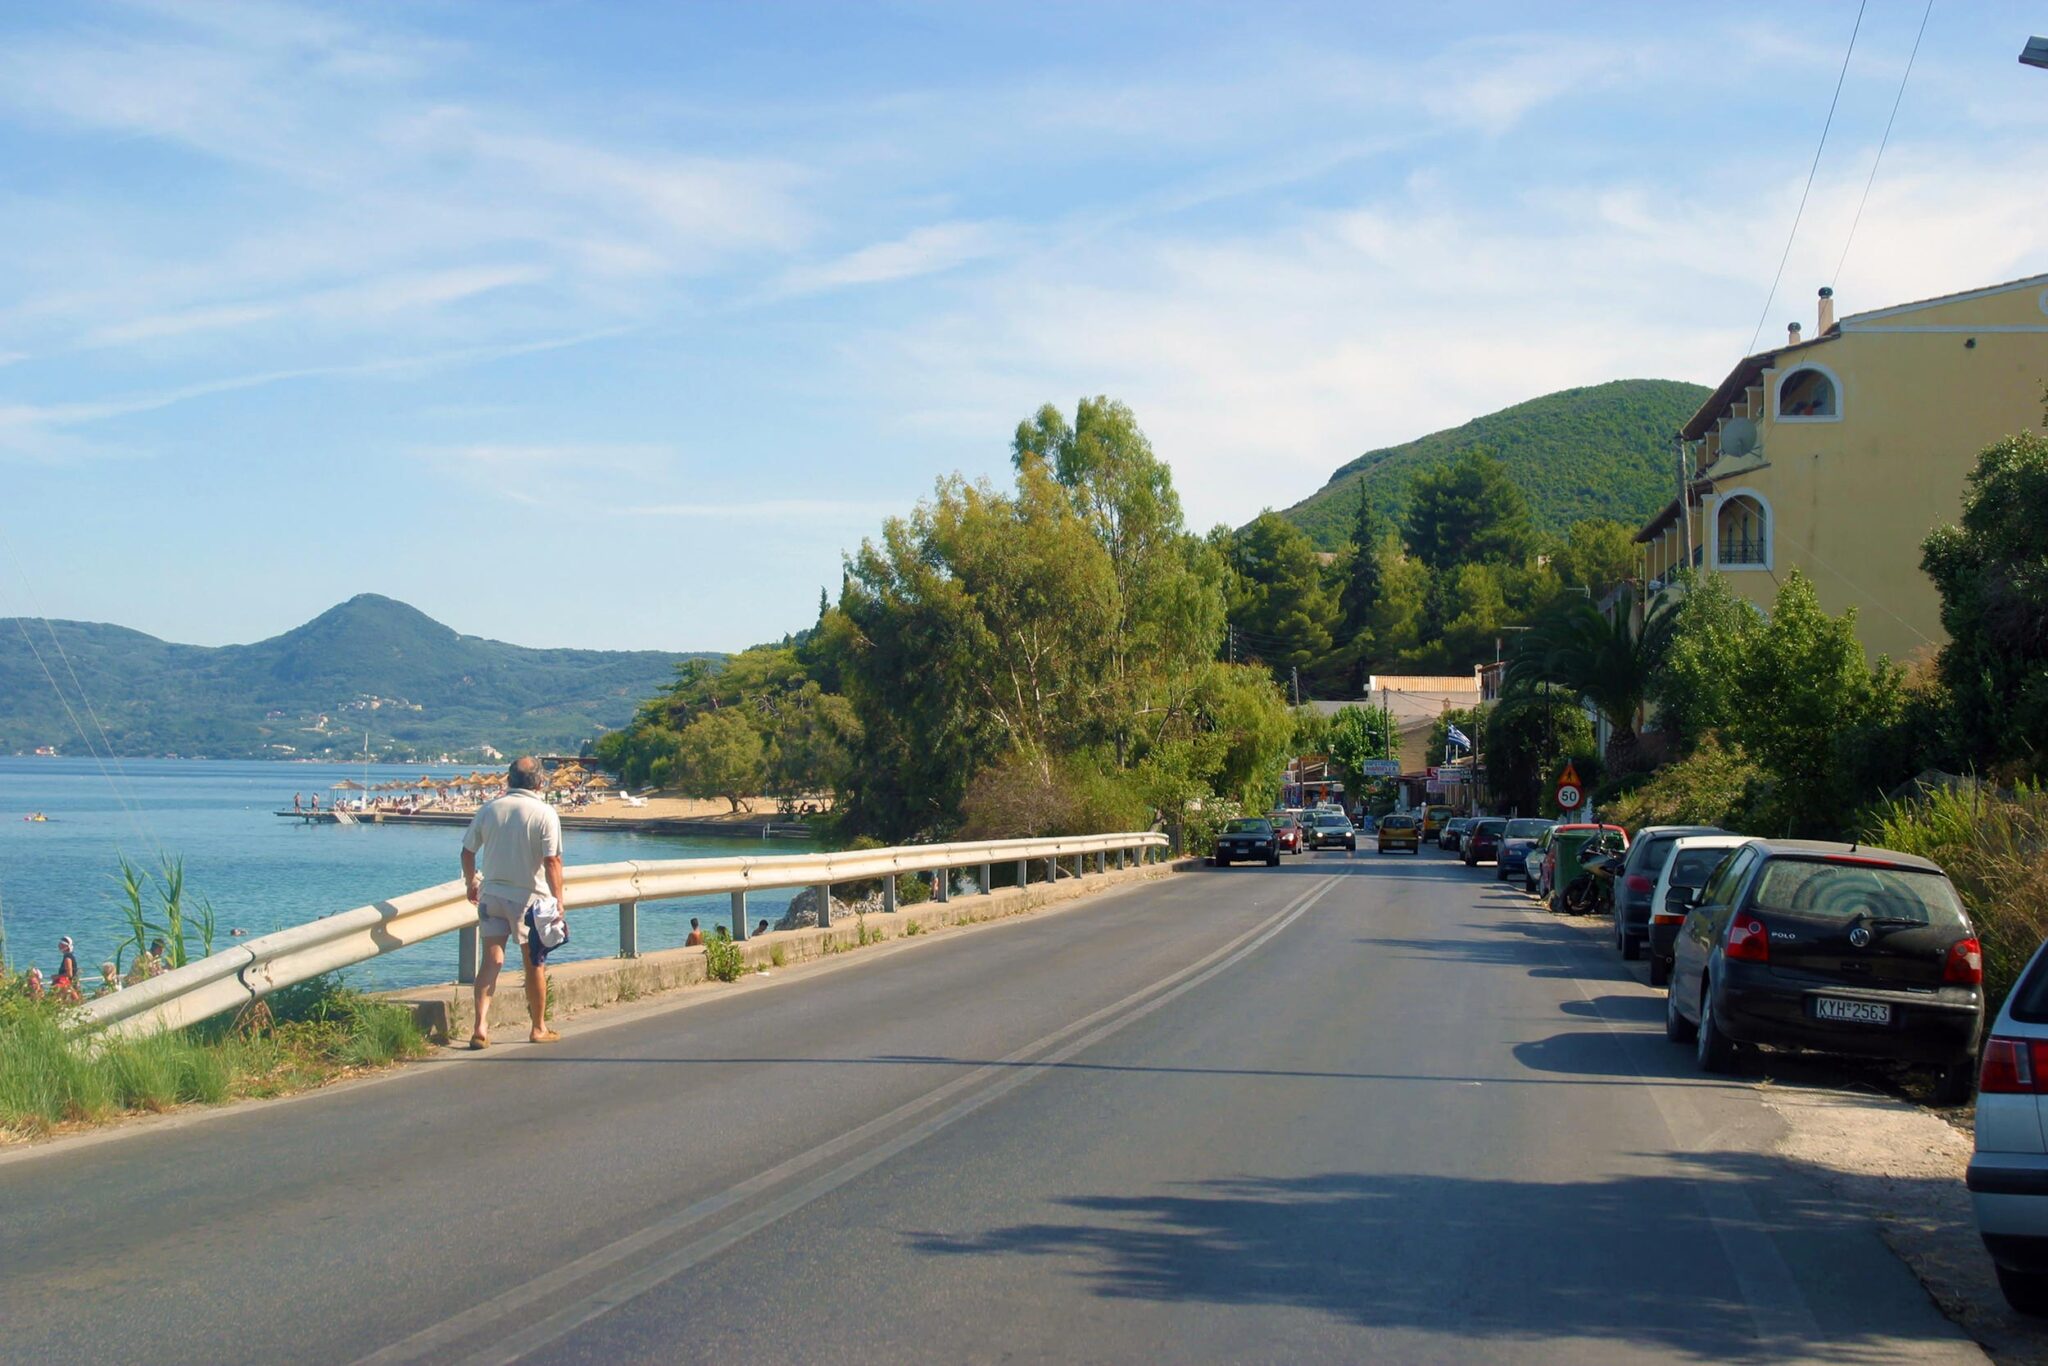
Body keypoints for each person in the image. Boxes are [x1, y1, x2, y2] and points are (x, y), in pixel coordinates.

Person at [460, 755, 565, 1048]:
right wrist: (559, 900)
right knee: (534, 963)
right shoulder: (544, 813)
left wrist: (472, 882)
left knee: (492, 960)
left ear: (509, 780)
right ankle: (538, 1027)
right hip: (527, 900)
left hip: (491, 895)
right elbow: (552, 861)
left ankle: (480, 1026)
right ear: (540, 782)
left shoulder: (489, 809)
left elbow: (467, 852)